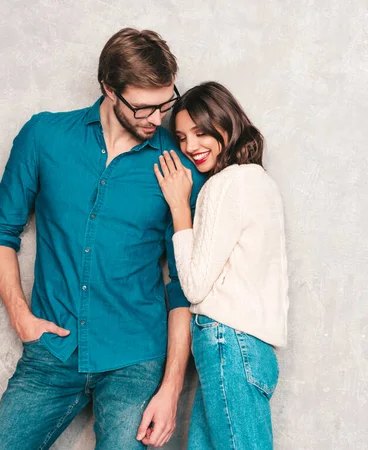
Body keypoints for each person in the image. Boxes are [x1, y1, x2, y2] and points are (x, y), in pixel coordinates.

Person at [0, 28, 205, 449]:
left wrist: (171, 389)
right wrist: (20, 316)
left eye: (166, 103)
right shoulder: (44, 136)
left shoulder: (179, 168)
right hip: (52, 354)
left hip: (135, 360)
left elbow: (183, 285)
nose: (158, 119)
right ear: (109, 89)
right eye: (143, 108)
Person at [153, 81, 289, 450]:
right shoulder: (259, 181)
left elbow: (193, 286)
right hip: (251, 349)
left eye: (200, 132)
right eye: (181, 138)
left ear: (225, 124)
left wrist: (180, 207)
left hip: (228, 343)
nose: (190, 147)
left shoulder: (224, 185)